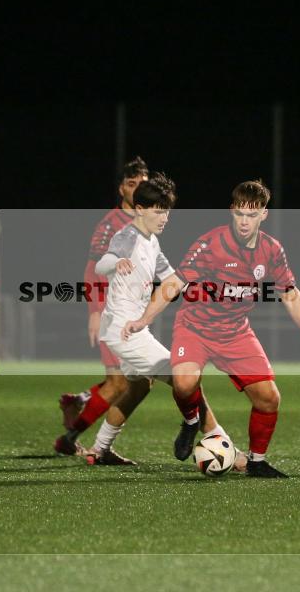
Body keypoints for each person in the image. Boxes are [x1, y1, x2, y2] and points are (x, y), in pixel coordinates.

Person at [124, 180, 300, 478]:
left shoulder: (272, 250)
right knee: (183, 384)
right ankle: (192, 421)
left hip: (235, 332)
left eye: (251, 215)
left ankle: (257, 462)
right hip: (195, 327)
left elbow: (290, 292)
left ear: (264, 215)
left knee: (269, 398)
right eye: (239, 214)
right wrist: (144, 319)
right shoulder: (211, 244)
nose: (244, 222)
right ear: (231, 212)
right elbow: (174, 283)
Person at [88, 173, 230, 464]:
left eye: (167, 210)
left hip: (132, 329)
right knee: (186, 380)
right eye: (158, 210)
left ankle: (99, 451)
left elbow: (173, 279)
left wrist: (208, 290)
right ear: (140, 209)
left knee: (140, 386)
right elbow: (102, 264)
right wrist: (117, 261)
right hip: (125, 330)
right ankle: (229, 449)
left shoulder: (151, 241)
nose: (164, 217)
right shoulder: (127, 236)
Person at [53, 157, 147, 463]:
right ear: (121, 188)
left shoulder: (145, 222)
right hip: (112, 313)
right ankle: (73, 441)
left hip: (133, 313)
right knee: (126, 383)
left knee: (134, 381)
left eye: (142, 184)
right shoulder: (111, 225)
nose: (136, 190)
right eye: (131, 184)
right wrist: (95, 311)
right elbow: (92, 270)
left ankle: (78, 402)